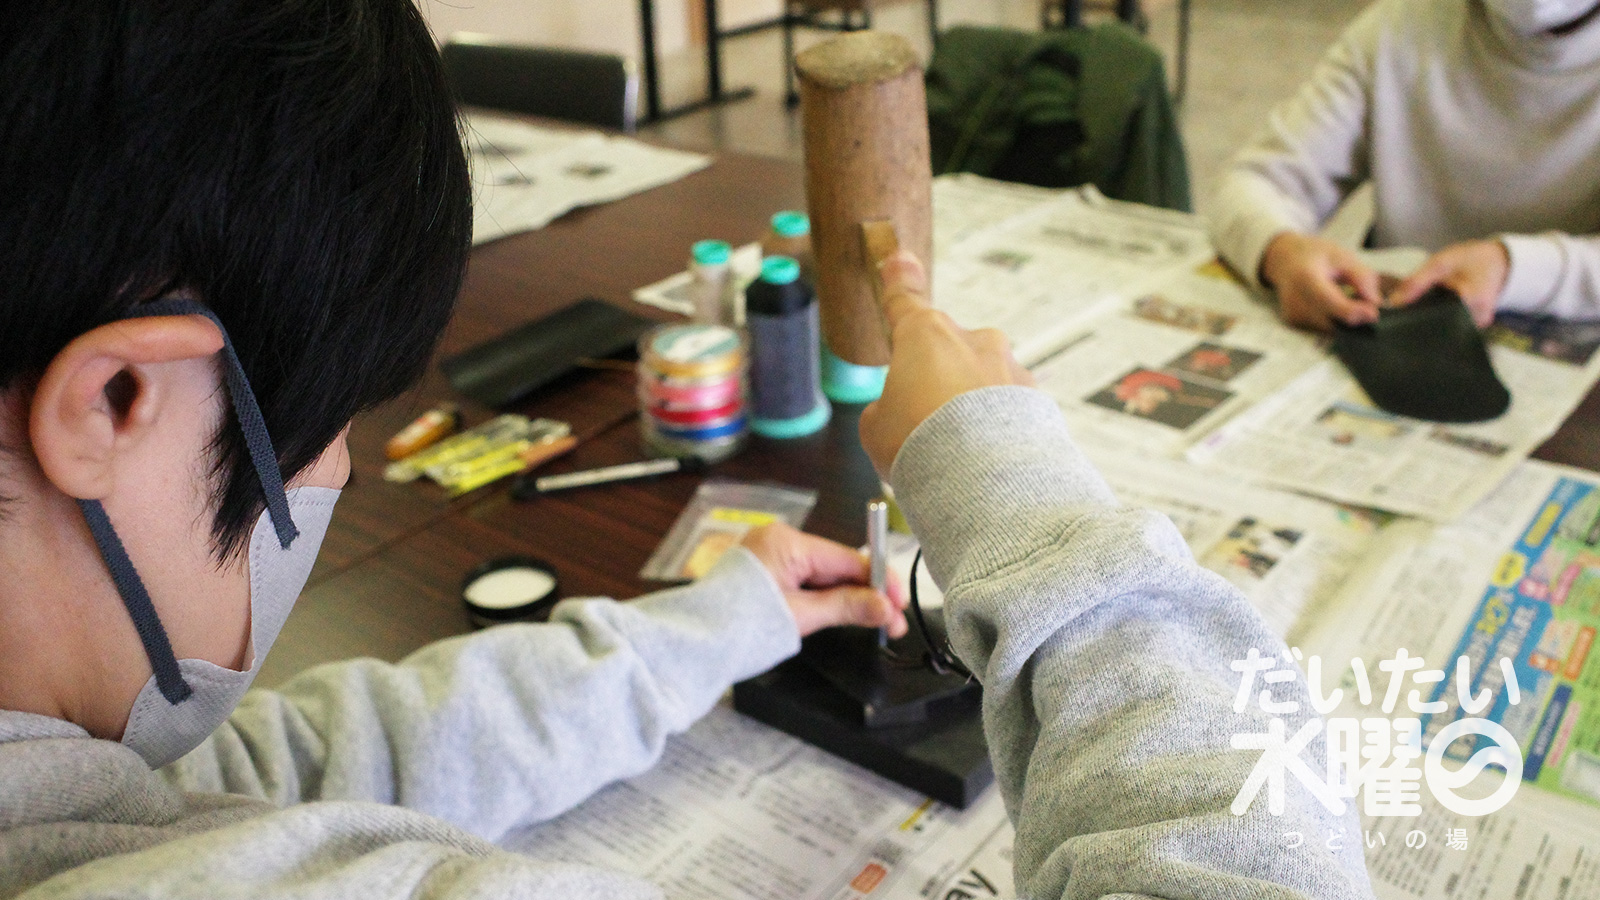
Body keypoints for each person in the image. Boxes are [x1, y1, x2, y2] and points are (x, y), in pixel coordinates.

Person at [1, 2, 1372, 898]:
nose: (338, 469)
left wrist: (704, 631)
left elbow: (280, 782)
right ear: (115, 402)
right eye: (329, 422)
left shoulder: (84, 801)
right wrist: (1015, 488)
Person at [1209, 0, 1600, 331]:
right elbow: (1256, 181)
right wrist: (1279, 249)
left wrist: (1514, 269)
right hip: (1396, 335)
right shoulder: (1401, 26)